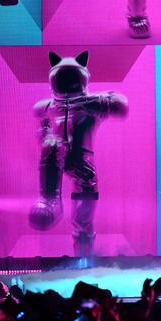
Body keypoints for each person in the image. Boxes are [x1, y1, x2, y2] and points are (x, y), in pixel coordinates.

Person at [28, 51, 129, 257]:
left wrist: (98, 100)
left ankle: (83, 258)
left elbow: (121, 105)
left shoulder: (92, 104)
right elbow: (43, 127)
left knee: (83, 223)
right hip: (57, 160)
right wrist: (45, 133)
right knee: (52, 145)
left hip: (83, 167)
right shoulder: (48, 107)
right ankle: (49, 199)